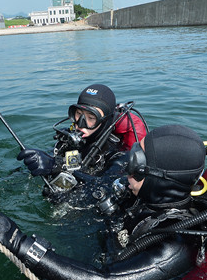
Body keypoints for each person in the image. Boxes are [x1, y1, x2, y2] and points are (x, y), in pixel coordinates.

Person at [0, 125, 207, 280]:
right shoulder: (143, 194)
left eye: (138, 161)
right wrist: (55, 168)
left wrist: (21, 244)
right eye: (134, 152)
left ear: (160, 177)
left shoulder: (174, 247)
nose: (128, 164)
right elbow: (98, 185)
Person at [17, 84, 148, 196]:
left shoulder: (117, 153)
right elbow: (61, 159)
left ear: (106, 121)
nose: (81, 123)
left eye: (91, 117)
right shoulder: (71, 138)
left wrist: (55, 166)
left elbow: (107, 187)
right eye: (79, 114)